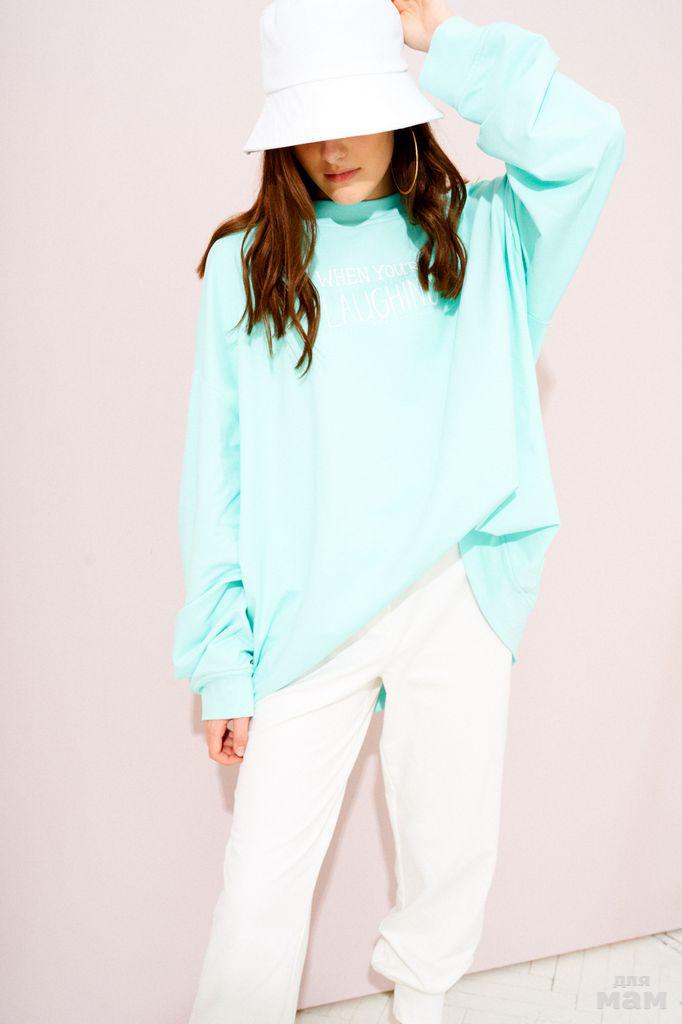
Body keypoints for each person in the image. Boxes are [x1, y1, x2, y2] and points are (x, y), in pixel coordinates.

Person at [171, 0, 625, 1021]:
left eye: (354, 115)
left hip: (452, 590)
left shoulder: (480, 233)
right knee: (259, 890)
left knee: (447, 858)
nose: (333, 148)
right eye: (311, 123)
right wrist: (222, 658)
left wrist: (438, 35)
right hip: (304, 612)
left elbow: (590, 141)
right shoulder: (248, 265)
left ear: (398, 108)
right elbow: (218, 471)